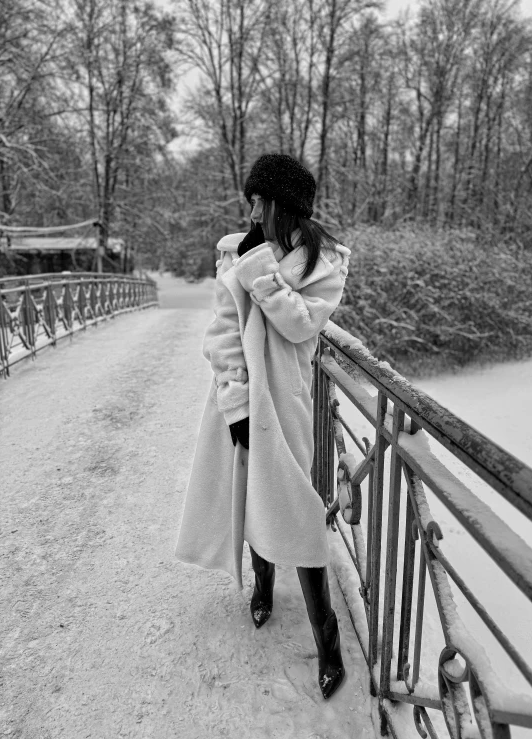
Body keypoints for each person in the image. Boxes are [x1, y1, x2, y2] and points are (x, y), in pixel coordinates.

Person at [175, 153, 351, 699]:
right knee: (253, 496)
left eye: (257, 199)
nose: (249, 208)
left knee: (295, 507)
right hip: (243, 398)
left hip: (290, 403)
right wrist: (236, 405)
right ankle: (264, 587)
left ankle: (329, 639)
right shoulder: (238, 250)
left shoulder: (327, 263)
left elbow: (301, 327)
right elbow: (222, 336)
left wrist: (259, 275)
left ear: (281, 203)